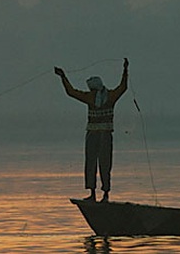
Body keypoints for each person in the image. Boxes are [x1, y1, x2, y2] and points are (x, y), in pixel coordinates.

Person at [54, 58, 129, 203]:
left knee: (103, 163)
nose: (92, 92)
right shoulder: (103, 96)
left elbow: (72, 92)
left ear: (95, 89)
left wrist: (125, 70)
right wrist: (63, 77)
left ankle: (103, 195)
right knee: (93, 163)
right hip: (95, 135)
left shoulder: (98, 97)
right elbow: (72, 92)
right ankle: (96, 194)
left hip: (102, 135)